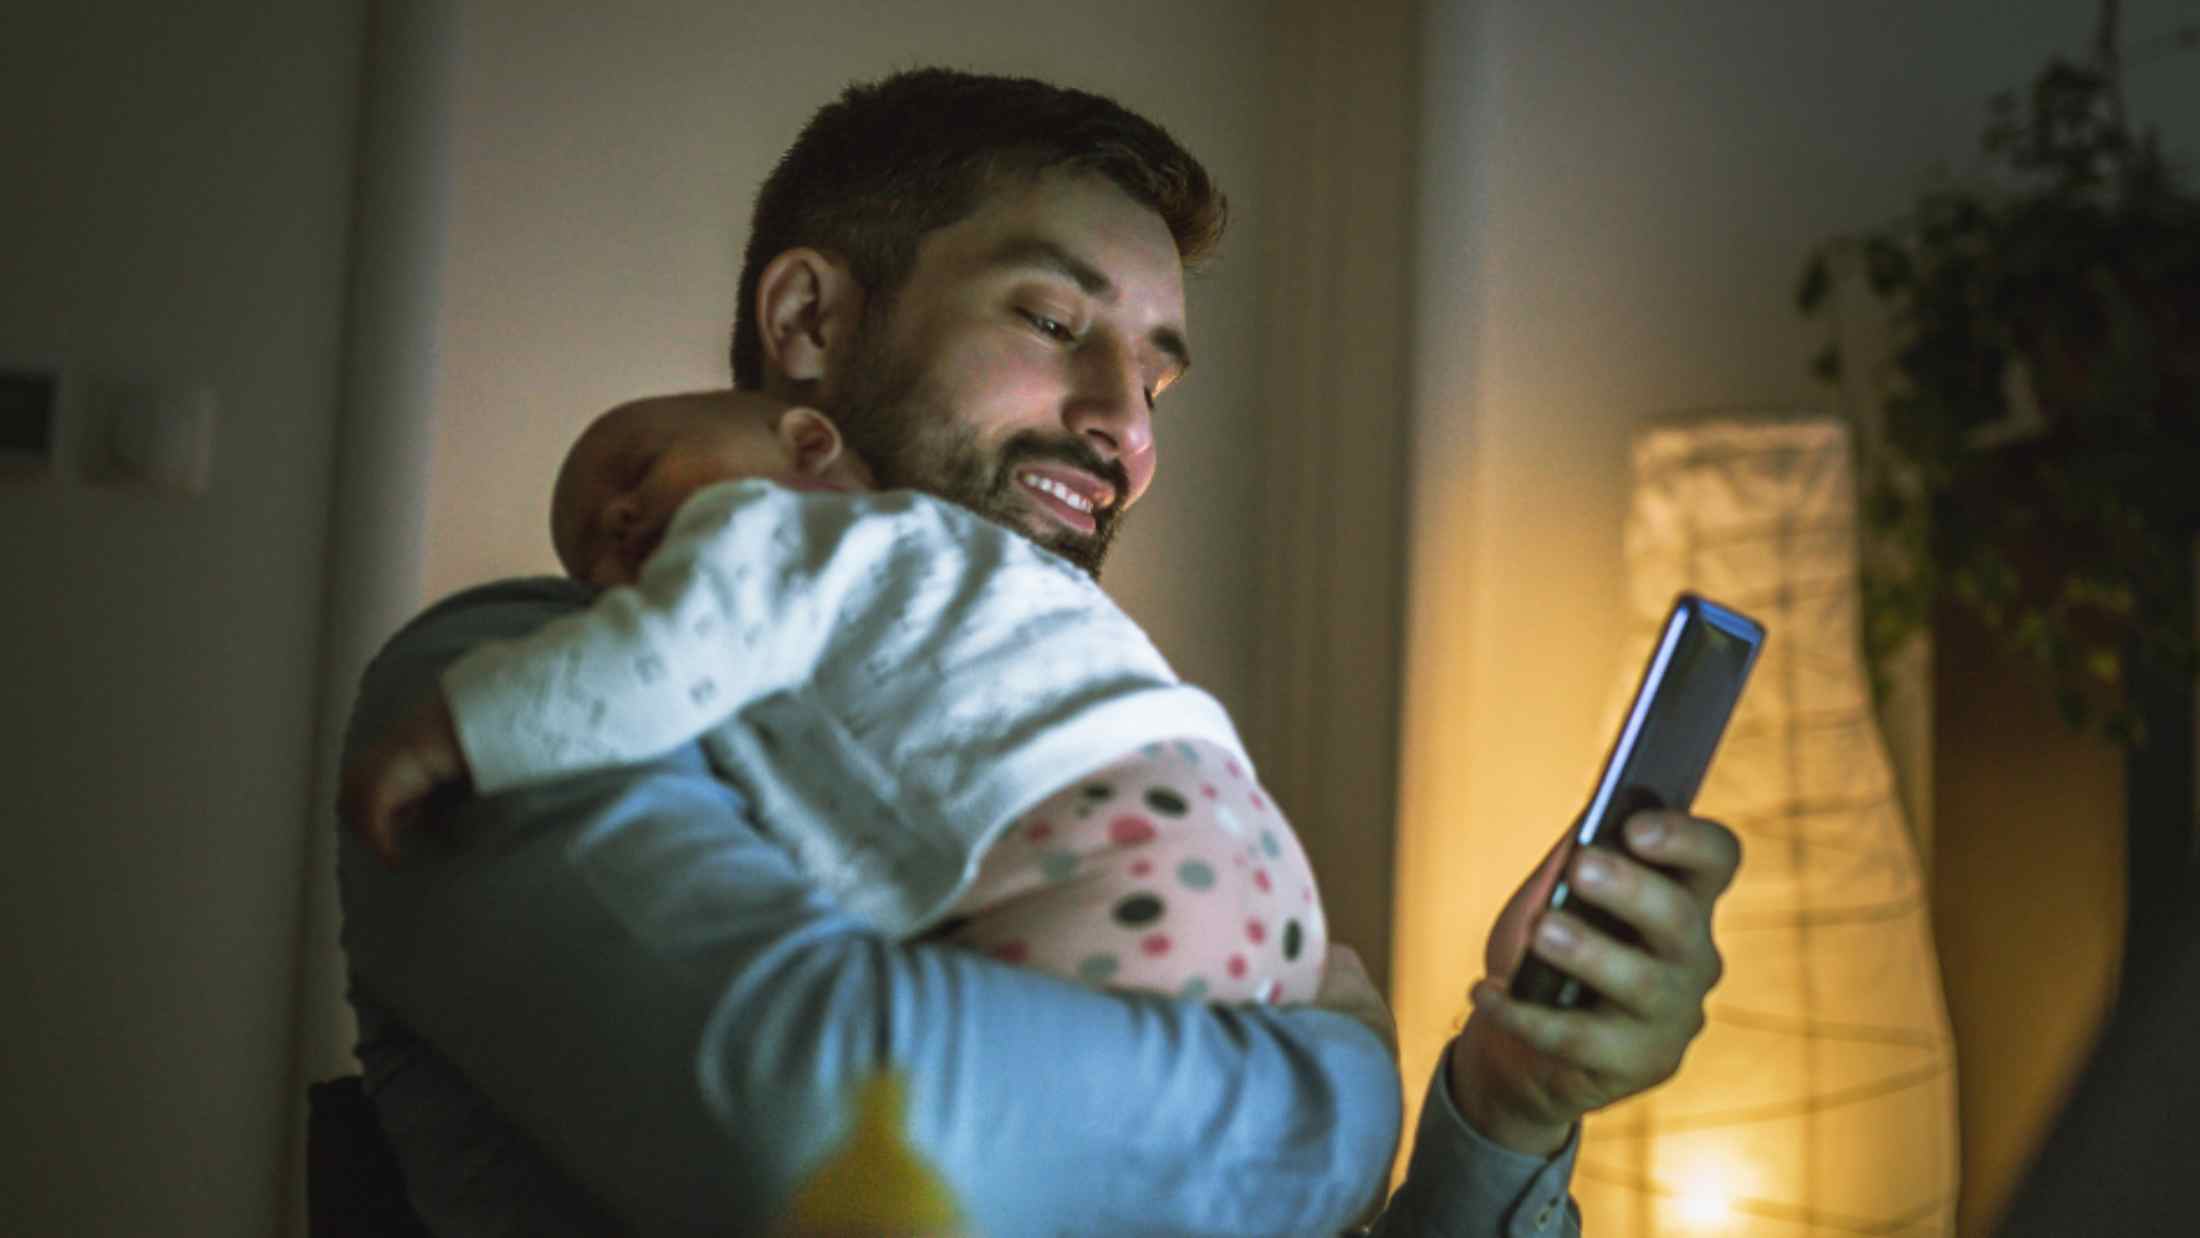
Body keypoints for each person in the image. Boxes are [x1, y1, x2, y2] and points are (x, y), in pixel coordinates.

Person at [337, 66, 1741, 1235]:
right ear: (811, 321)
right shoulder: (507, 678)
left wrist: (1505, 1100)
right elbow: (827, 1127)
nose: (1121, 428)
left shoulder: (1031, 768)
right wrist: (1340, 1080)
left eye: (1154, 376)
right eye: (1054, 321)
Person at [344, 389, 1329, 1008]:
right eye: (593, 543)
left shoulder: (769, 526)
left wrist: (453, 732)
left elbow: (642, 663)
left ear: (806, 441)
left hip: (1092, 850)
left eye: (636, 476)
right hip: (1252, 866)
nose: (620, 517)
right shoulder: (972, 571)